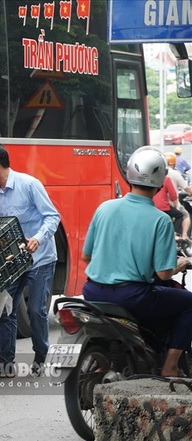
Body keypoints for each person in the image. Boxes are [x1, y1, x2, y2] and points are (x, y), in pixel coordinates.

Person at [82, 146, 192, 378]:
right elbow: (163, 275)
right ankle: (170, 365)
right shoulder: (160, 220)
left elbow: (86, 256)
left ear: (129, 176)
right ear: (160, 183)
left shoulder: (104, 208)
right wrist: (180, 265)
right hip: (132, 296)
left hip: (92, 292)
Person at [0, 142, 60, 377]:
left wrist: (38, 239)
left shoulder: (29, 184)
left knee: (35, 311)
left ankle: (41, 355)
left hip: (40, 258)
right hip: (13, 260)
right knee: (4, 308)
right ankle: (5, 363)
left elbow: (53, 216)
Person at [153, 174, 190, 239]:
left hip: (150, 206)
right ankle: (174, 234)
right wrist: (176, 206)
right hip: (163, 207)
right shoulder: (166, 179)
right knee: (180, 215)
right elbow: (173, 195)